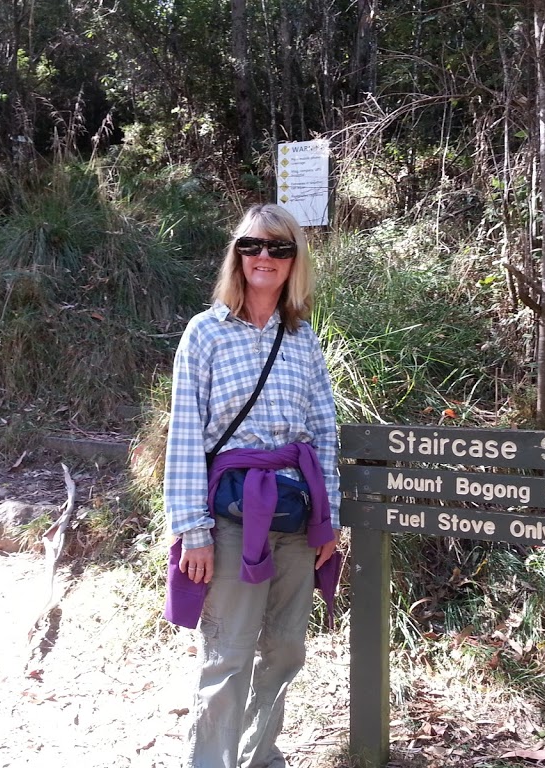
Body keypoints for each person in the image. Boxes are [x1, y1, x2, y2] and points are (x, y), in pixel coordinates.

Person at [162, 203, 341, 768]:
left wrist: (328, 521)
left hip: (295, 514)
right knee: (229, 653)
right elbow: (187, 436)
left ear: (294, 260)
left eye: (278, 248)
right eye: (252, 246)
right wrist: (193, 530)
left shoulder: (302, 337)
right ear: (236, 254)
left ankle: (261, 757)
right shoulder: (205, 333)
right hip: (233, 516)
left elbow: (322, 433)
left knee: (286, 648)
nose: (264, 257)